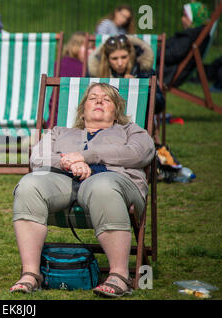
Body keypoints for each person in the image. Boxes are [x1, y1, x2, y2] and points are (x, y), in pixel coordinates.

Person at [10, 82, 155, 297]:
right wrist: (70, 163)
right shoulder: (60, 132)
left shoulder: (131, 131)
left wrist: (86, 156)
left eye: (106, 99)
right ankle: (31, 273)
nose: (98, 101)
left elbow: (139, 154)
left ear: (116, 111)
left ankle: (120, 275)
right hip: (63, 180)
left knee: (102, 186)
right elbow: (38, 157)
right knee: (29, 185)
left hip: (116, 182)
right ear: (82, 109)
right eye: (92, 98)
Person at [87, 34, 165, 144]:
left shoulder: (143, 70)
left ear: (131, 54)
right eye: (114, 58)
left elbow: (160, 105)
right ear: (107, 59)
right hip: (103, 129)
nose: (120, 63)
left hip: (138, 128)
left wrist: (139, 87)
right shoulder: (97, 74)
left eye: (124, 57)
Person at [162, 2, 211, 87]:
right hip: (172, 70)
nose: (182, 19)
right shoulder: (197, 33)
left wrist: (153, 53)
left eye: (185, 16)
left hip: (169, 73)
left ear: (194, 18)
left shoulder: (190, 36)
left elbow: (173, 55)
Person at [47, 32, 88, 127]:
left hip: (54, 118)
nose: (90, 51)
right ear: (76, 47)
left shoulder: (58, 64)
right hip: (75, 118)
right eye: (88, 47)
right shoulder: (81, 68)